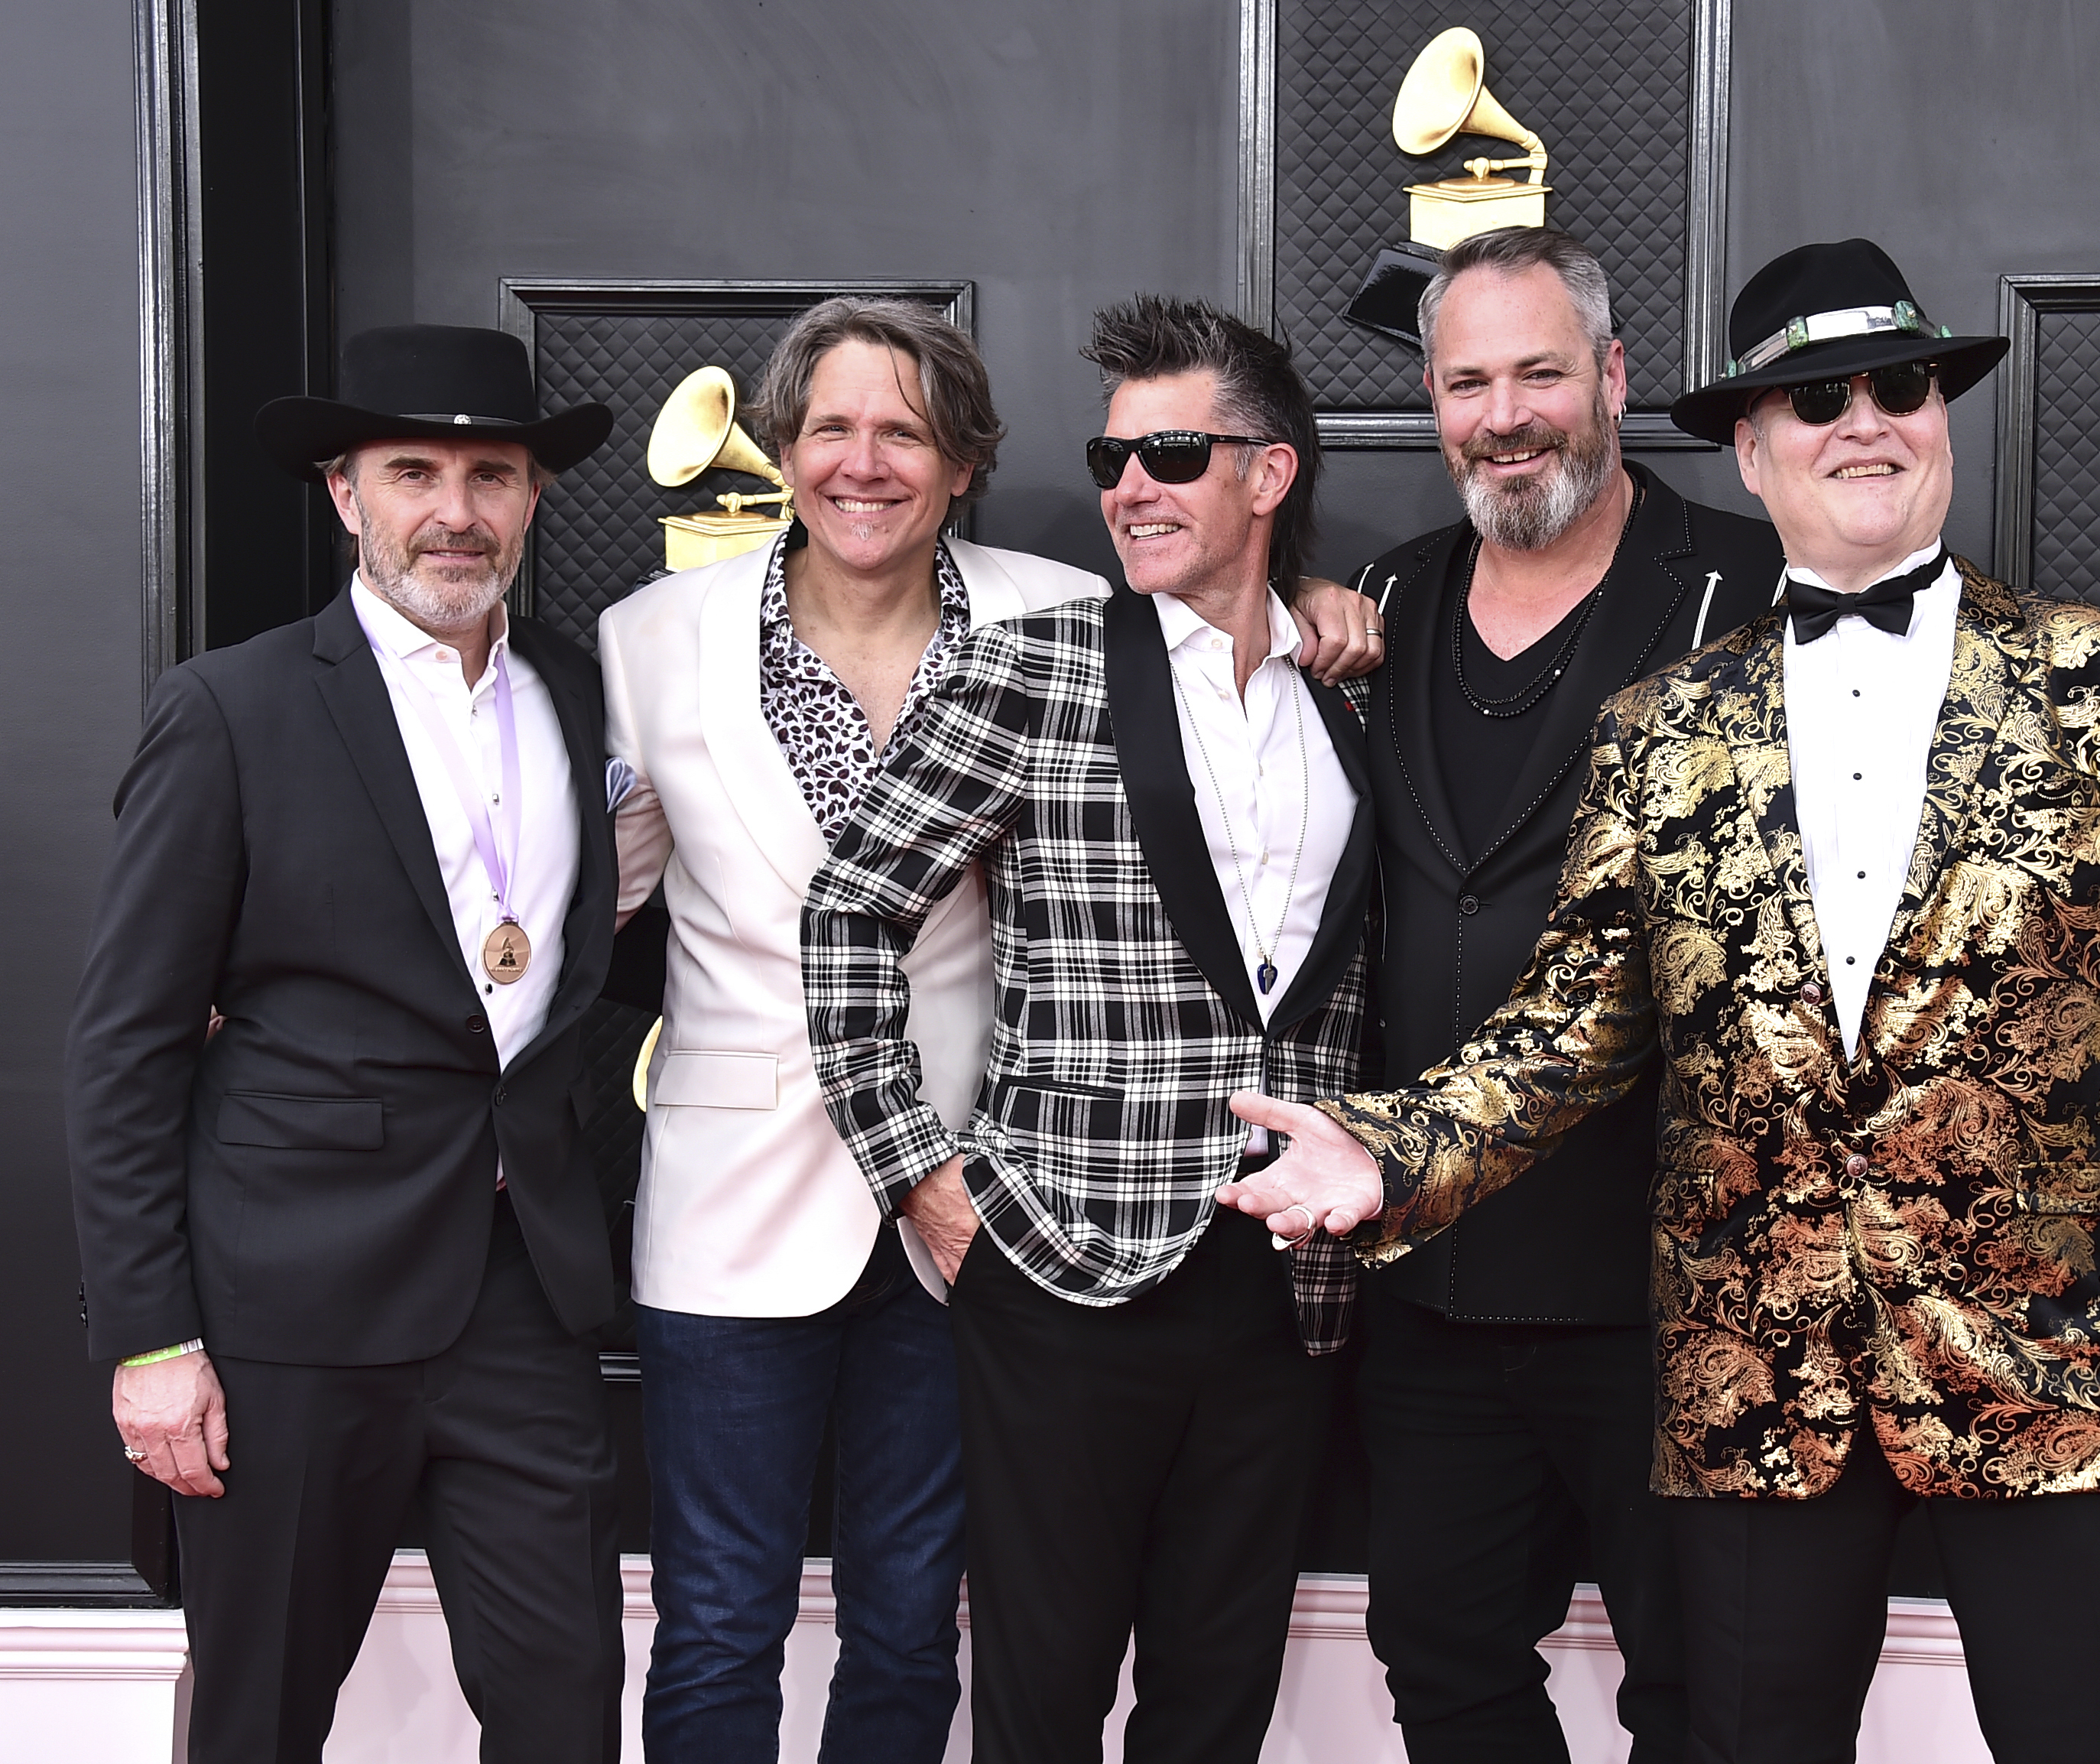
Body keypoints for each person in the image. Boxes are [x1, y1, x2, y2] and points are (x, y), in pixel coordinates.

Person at [1225, 238, 2100, 1764]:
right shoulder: (1662, 726)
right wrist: (1388, 1150)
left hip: (2046, 1356)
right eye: (1813, 400)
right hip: (1757, 1367)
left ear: (1939, 416)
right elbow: (1571, 1021)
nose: (1862, 421)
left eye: (1898, 386)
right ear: (1750, 451)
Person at [800, 294, 1375, 1764]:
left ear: (1270, 473)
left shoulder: (1354, 702)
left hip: (1284, 1283)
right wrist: (921, 1178)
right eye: (1111, 459)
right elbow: (850, 910)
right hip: (1059, 1266)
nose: (1129, 488)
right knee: (1041, 1703)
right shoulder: (1035, 665)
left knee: (1217, 1699)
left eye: (1172, 454)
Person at [66, 324, 628, 1762]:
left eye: (490, 473)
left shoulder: (577, 692)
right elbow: (127, 1048)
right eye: (412, 471)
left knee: (565, 1711)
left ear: (532, 497)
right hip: (285, 1316)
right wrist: (149, 1341)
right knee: (259, 1717)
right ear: (344, 495)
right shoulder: (231, 710)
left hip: (523, 1299)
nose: (455, 509)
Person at [599, 297, 1108, 1762]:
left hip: (969, 1205)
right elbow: (580, 905)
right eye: (831, 427)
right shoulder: (651, 640)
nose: (863, 462)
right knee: (715, 1623)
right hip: (727, 1204)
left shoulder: (1063, 618)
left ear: (962, 462)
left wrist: (1331, 615)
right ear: (782, 450)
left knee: (907, 1623)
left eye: (906, 430)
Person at [1339, 226, 1780, 1764]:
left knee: (1709, 1695)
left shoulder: (1751, 578)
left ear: (1607, 376)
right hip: (1436, 1265)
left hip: (1676, 1276)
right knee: (1442, 1663)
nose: (1504, 411)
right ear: (1432, 397)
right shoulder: (1384, 596)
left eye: (1538, 370)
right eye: (1469, 380)